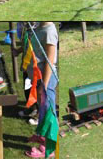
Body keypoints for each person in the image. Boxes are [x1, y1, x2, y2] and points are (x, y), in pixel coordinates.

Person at [24, 22, 58, 158]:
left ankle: (47, 150)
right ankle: (41, 137)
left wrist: (43, 85)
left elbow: (50, 61)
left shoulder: (49, 30)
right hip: (38, 79)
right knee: (42, 111)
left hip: (46, 80)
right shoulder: (39, 26)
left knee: (48, 114)